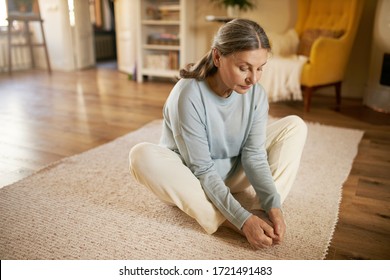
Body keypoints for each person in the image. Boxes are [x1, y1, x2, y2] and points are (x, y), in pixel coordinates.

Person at [129, 18, 307, 250]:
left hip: (234, 171)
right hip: (191, 179)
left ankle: (265, 213)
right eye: (244, 68)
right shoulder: (188, 94)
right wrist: (241, 219)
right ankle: (225, 220)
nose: (253, 79)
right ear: (217, 57)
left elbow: (254, 155)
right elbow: (201, 169)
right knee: (140, 155)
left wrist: (274, 205)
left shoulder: (256, 94)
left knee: (295, 126)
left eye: (260, 68)